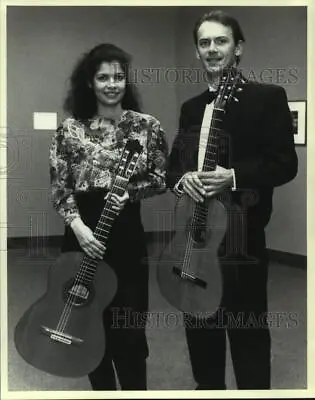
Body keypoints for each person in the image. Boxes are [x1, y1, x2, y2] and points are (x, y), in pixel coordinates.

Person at [166, 10, 298, 389]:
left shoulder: (268, 98)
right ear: (197, 51)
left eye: (220, 40)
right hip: (193, 238)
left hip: (243, 240)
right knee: (200, 329)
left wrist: (234, 177)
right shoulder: (191, 108)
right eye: (204, 42)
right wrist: (183, 180)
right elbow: (174, 168)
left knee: (248, 334)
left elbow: (284, 165)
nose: (212, 49)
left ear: (238, 48)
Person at [49, 43, 168, 390]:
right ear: (90, 82)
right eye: (103, 77)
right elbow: (60, 187)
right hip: (81, 234)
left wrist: (130, 193)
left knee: (129, 330)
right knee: (87, 325)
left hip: (126, 233)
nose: (112, 84)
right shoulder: (69, 130)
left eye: (118, 76)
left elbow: (161, 178)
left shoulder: (147, 126)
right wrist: (78, 227)